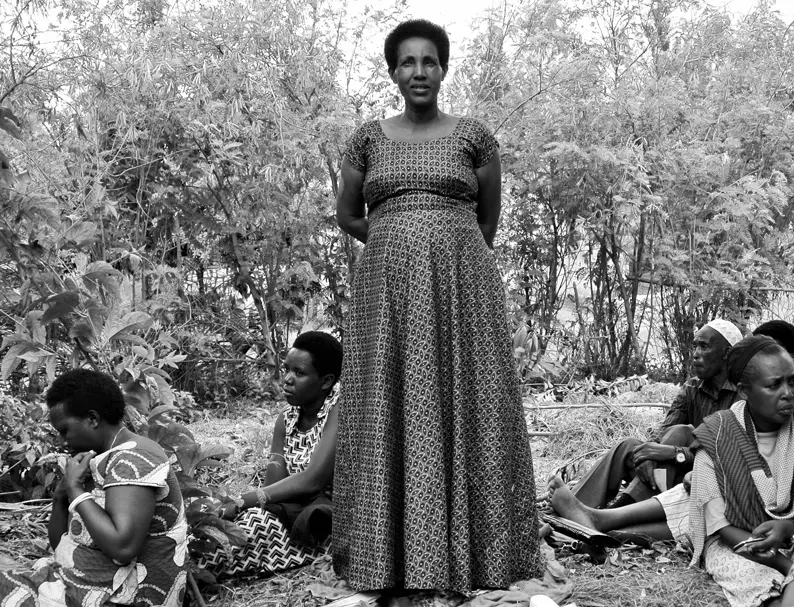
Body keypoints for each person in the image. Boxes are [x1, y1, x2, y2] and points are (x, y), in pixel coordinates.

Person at [334, 18, 541, 597]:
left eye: (430, 61)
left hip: (461, 286)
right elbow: (350, 213)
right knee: (389, 400)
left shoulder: (473, 136)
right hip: (387, 290)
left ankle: (475, 557)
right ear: (393, 72)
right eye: (407, 62)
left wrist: (443, 247)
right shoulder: (367, 139)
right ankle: (388, 560)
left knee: (468, 400)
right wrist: (395, 238)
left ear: (444, 69)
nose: (419, 71)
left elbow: (487, 221)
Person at [0, 369, 188, 607]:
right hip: (87, 583)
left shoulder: (134, 459)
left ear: (93, 419)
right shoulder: (99, 460)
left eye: (64, 430)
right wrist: (61, 497)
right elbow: (63, 549)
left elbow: (123, 547)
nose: (62, 441)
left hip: (124, 596)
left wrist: (76, 490)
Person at [689, 335, 794, 607]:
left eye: (792, 380)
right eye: (774, 385)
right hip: (740, 545)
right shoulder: (716, 436)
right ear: (743, 391)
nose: (788, 393)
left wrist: (790, 527)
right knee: (753, 578)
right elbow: (721, 526)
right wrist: (784, 564)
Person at [198, 331, 342, 577]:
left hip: (325, 517)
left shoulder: (340, 411)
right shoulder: (286, 419)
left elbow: (312, 480)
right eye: (287, 369)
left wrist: (241, 500)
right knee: (242, 523)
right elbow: (273, 487)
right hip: (293, 510)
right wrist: (242, 506)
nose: (287, 379)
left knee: (250, 530)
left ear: (326, 381)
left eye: (299, 373)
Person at [570, 319, 743, 510]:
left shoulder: (742, 395)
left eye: (704, 347)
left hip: (704, 477)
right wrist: (648, 454)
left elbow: (727, 457)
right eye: (694, 346)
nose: (695, 355)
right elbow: (665, 431)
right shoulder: (692, 388)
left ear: (727, 353)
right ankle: (572, 506)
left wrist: (674, 453)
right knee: (628, 447)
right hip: (668, 473)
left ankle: (616, 512)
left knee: (683, 432)